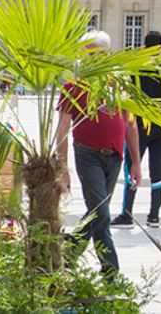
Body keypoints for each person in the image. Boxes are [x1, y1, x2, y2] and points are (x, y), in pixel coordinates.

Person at [55, 30, 142, 275]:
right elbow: (62, 128)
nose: (93, 59)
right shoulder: (73, 86)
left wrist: (136, 163)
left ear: (106, 55)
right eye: (88, 54)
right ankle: (111, 272)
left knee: (97, 212)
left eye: (98, 54)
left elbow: (130, 125)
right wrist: (62, 168)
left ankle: (69, 254)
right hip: (87, 154)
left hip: (114, 157)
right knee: (102, 213)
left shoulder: (119, 85)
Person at [112, 31, 161, 228]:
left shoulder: (135, 69)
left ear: (144, 47)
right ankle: (154, 215)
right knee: (158, 171)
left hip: (139, 127)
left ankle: (127, 214)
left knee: (132, 169)